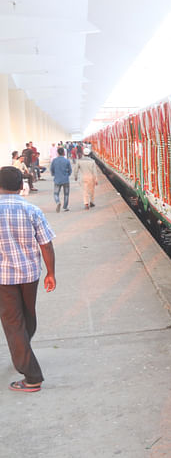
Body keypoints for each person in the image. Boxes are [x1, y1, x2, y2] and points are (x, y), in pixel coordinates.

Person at [0, 166, 56, 393]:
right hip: (29, 275)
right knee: (28, 317)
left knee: (13, 324)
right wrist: (50, 273)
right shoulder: (32, 209)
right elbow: (46, 244)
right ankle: (23, 351)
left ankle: (32, 377)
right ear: (22, 186)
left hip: (4, 277)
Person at [50, 147, 72, 212]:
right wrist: (67, 175)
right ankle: (65, 207)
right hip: (65, 180)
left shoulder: (54, 160)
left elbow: (51, 169)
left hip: (57, 180)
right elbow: (70, 170)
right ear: (63, 152)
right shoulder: (67, 161)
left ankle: (58, 202)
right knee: (66, 194)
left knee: (56, 193)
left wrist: (54, 175)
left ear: (57, 153)